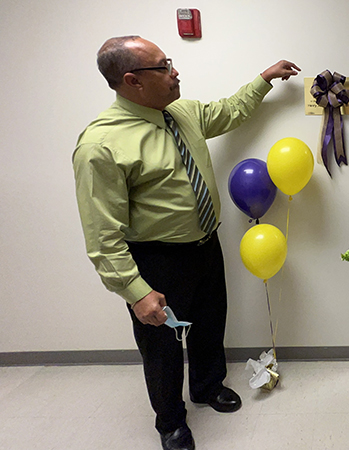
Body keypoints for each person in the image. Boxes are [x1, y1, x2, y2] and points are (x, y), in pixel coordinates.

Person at [72, 36, 300, 450]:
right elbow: (102, 236)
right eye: (163, 66)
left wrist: (265, 79)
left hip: (206, 245)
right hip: (156, 258)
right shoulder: (99, 146)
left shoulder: (183, 113)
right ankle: (170, 422)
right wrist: (136, 292)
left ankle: (208, 387)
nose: (175, 72)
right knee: (161, 348)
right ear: (131, 80)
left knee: (210, 324)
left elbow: (229, 111)